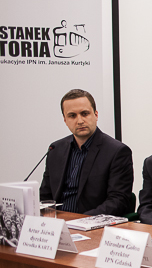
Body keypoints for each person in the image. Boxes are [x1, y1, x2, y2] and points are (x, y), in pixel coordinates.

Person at [40, 89, 133, 217]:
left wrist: (81, 220)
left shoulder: (117, 151)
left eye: (85, 114)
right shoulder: (55, 149)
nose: (80, 121)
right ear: (65, 120)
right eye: (72, 116)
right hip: (57, 222)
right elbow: (45, 196)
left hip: (91, 223)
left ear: (96, 115)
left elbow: (118, 201)